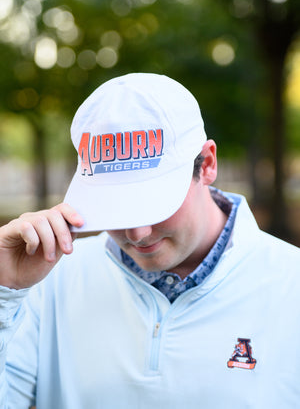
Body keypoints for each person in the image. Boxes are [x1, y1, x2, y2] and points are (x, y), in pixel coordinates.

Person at [0, 73, 299, 409]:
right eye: (114, 207)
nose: (137, 233)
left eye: (156, 204)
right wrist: (4, 291)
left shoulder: (292, 286)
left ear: (208, 164)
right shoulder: (47, 282)